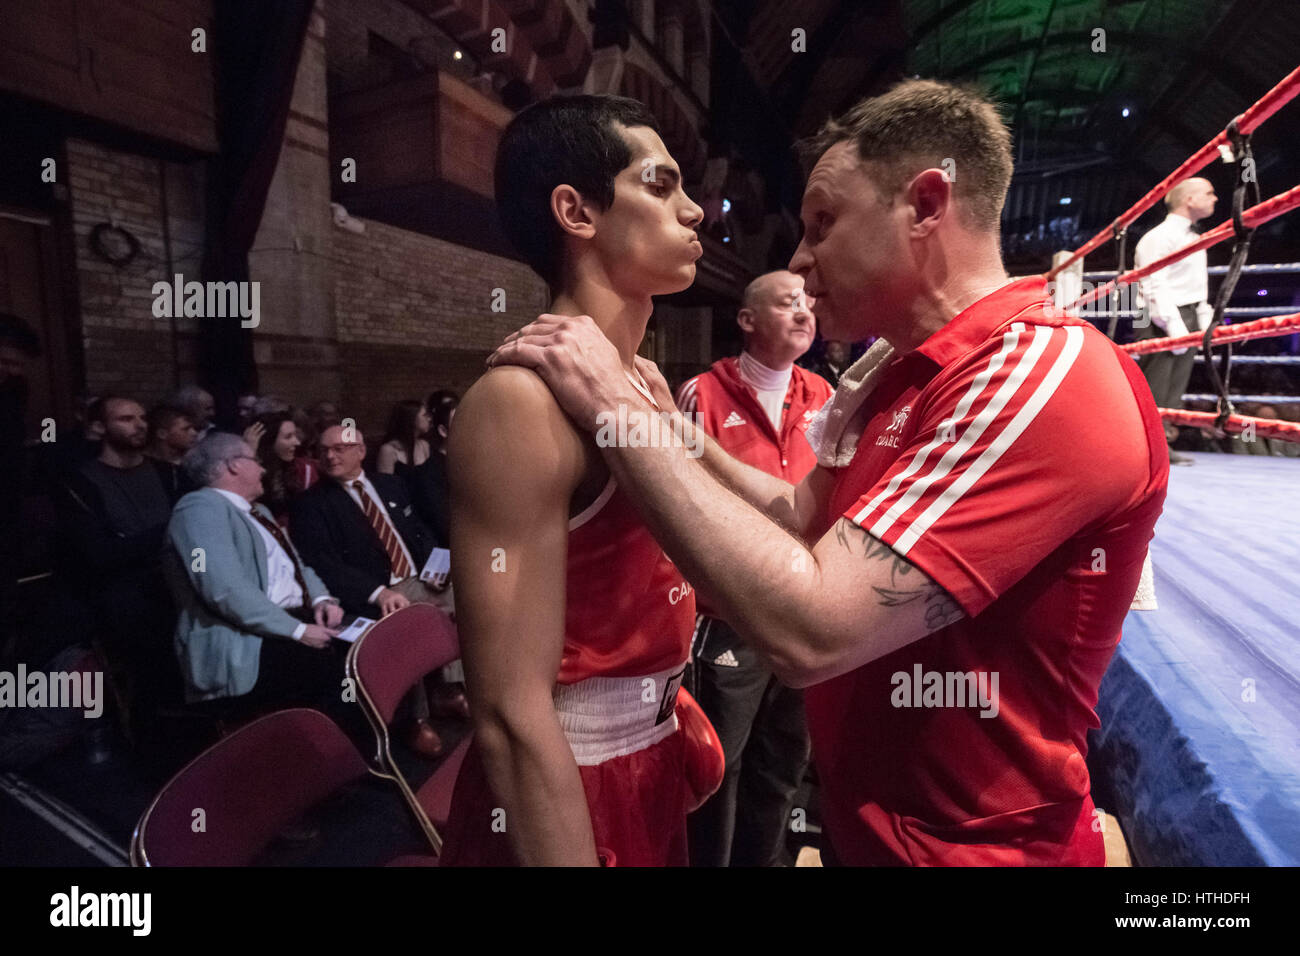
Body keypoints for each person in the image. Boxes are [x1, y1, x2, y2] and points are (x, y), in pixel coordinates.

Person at [490, 79, 1170, 866]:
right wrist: (673, 429)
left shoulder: (1041, 371)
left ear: (924, 205)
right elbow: (798, 516)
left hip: (979, 852)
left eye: (822, 224)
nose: (801, 262)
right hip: (866, 825)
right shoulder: (885, 372)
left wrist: (621, 409)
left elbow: (813, 631)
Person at [440, 94, 724, 867]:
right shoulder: (520, 403)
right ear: (577, 211)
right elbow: (506, 708)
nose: (694, 211)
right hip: (571, 784)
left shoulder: (643, 383)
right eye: (662, 185)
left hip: (651, 757)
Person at [675, 270, 832, 867]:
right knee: (720, 767)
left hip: (804, 608)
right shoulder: (702, 396)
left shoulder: (823, 395)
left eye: (808, 303)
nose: (803, 312)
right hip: (731, 617)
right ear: (747, 320)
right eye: (788, 303)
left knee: (782, 761)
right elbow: (683, 505)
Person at [163, 433, 361, 738]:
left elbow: (298, 566)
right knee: (339, 672)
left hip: (289, 620)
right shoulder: (198, 509)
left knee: (369, 649)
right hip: (243, 638)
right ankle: (334, 767)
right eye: (255, 461)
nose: (264, 470)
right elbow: (222, 588)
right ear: (233, 467)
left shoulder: (259, 512)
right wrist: (298, 631)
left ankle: (355, 756)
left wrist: (323, 599)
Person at [289, 422, 449, 757]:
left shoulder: (390, 485)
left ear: (361, 451)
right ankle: (415, 720)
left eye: (340, 449)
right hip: (378, 588)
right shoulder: (311, 504)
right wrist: (378, 593)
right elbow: (324, 564)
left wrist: (439, 566)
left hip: (421, 577)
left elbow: (418, 529)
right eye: (324, 451)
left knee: (476, 603)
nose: (331, 456)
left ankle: (449, 690)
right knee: (406, 623)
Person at [62, 396, 180, 732]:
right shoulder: (80, 482)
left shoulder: (168, 474)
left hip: (175, 577)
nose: (140, 425)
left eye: (142, 417)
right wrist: (166, 533)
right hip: (125, 590)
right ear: (99, 428)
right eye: (126, 419)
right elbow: (99, 555)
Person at [1133, 176, 1218, 466]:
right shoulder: (1158, 237)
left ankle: (1162, 449)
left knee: (1175, 386)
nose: (1215, 198)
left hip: (1188, 313)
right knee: (1155, 386)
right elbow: (1152, 283)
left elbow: (1198, 284)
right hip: (1159, 315)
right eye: (1209, 193)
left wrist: (1204, 317)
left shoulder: (1196, 237)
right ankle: (1141, 451)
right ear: (1189, 199)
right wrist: (1172, 323)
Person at [409, 389, 458, 545]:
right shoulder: (429, 474)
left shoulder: (479, 465)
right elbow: (446, 528)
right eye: (460, 422)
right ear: (443, 431)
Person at [247, 411, 304, 526]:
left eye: (296, 436)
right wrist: (249, 454)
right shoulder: (258, 475)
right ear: (269, 440)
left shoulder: (290, 469)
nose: (297, 442)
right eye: (288, 437)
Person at [145, 404, 198, 502]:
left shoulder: (192, 465)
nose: (194, 433)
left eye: (193, 428)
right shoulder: (147, 468)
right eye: (185, 429)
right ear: (162, 434)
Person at [375, 399, 431, 477]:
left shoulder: (424, 446)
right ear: (412, 418)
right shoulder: (388, 450)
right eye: (425, 415)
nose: (429, 419)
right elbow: (386, 485)